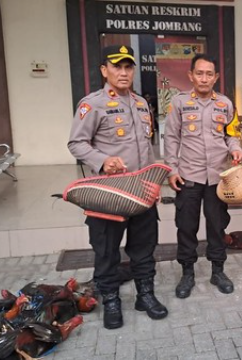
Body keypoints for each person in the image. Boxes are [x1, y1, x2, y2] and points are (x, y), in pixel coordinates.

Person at [68, 45, 168, 329]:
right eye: (117, 67)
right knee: (107, 250)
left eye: (128, 67)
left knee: (144, 247)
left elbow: (147, 148)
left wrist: (153, 184)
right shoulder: (92, 104)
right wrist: (102, 160)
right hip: (108, 195)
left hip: (139, 192)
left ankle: (145, 295)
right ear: (104, 70)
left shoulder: (140, 103)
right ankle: (111, 299)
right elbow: (76, 143)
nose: (123, 73)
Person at [164, 54, 242, 299]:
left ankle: (218, 271)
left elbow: (232, 133)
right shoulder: (178, 103)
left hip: (218, 177)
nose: (204, 78)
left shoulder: (226, 104)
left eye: (209, 74)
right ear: (191, 76)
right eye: (200, 73)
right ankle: (187, 273)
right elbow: (171, 138)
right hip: (188, 175)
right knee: (186, 226)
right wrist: (172, 169)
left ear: (216, 77)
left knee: (217, 225)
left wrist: (236, 148)